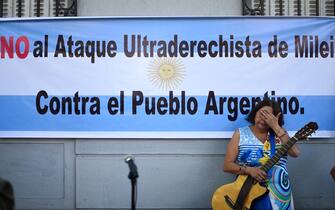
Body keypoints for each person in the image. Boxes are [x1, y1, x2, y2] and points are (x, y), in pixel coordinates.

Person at [223, 98, 300, 210]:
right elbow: (227, 166)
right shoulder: (240, 133)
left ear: (275, 119)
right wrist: (249, 170)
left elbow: (295, 153)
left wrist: (276, 127)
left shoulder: (281, 133)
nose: (263, 118)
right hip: (249, 193)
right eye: (261, 114)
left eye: (268, 116)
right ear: (254, 113)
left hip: (279, 194)